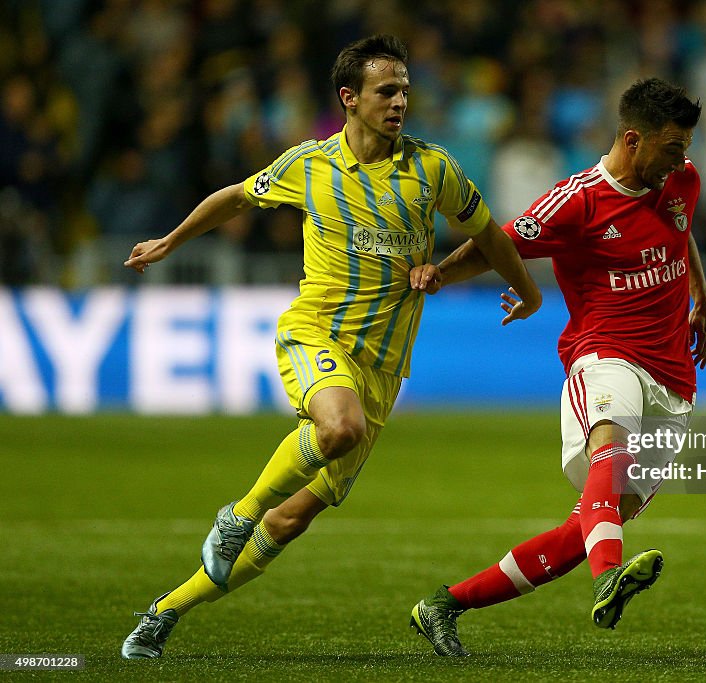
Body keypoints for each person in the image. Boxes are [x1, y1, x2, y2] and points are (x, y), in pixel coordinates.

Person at [119, 34, 542, 659]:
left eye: (404, 89)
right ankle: (236, 516)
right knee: (336, 428)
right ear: (349, 98)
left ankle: (163, 613)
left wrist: (517, 289)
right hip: (317, 332)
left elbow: (488, 234)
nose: (400, 101)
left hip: (384, 371)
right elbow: (235, 197)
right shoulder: (308, 165)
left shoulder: (434, 170)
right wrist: (170, 242)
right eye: (386, 91)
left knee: (290, 522)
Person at [406, 77, 706, 656]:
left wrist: (703, 295)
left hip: (675, 379)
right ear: (633, 139)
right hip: (606, 355)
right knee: (611, 447)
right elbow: (496, 244)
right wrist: (438, 276)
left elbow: (682, 229)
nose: (683, 159)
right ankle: (609, 580)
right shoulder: (577, 201)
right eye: (673, 146)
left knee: (585, 531)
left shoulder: (681, 180)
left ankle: (443, 606)